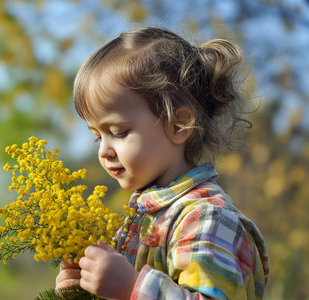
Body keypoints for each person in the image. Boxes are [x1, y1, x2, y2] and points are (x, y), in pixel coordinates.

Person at [55, 26, 269, 300]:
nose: (105, 151)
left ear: (178, 124)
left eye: (118, 132)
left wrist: (130, 287)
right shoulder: (145, 218)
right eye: (98, 137)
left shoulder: (205, 218)